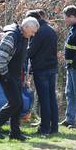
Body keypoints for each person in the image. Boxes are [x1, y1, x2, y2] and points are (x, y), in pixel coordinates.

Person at [0, 17, 40, 141]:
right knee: (15, 102)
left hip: (16, 75)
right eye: (33, 31)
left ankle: (15, 132)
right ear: (25, 27)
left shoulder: (24, 37)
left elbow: (22, 60)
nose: (34, 34)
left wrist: (24, 77)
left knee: (19, 104)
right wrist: (5, 76)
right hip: (6, 74)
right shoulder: (11, 36)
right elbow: (0, 59)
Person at [26, 9, 59, 137]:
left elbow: (31, 51)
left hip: (41, 69)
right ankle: (54, 127)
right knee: (52, 99)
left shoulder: (38, 32)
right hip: (52, 68)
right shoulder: (51, 30)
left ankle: (44, 128)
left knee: (44, 99)